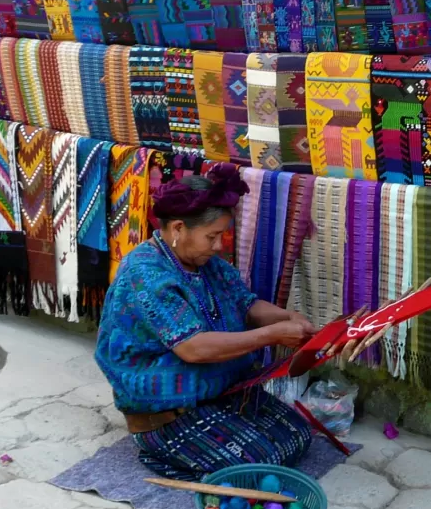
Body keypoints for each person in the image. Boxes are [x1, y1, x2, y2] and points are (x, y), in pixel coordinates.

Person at [95, 164, 317, 480]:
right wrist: (272, 334)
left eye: (222, 236)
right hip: (166, 412)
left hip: (217, 392)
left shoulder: (207, 264)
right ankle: (157, 451)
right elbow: (194, 349)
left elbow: (247, 304)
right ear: (178, 229)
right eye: (212, 236)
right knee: (265, 461)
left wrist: (287, 317)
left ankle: (217, 428)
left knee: (298, 435)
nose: (218, 246)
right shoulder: (146, 275)